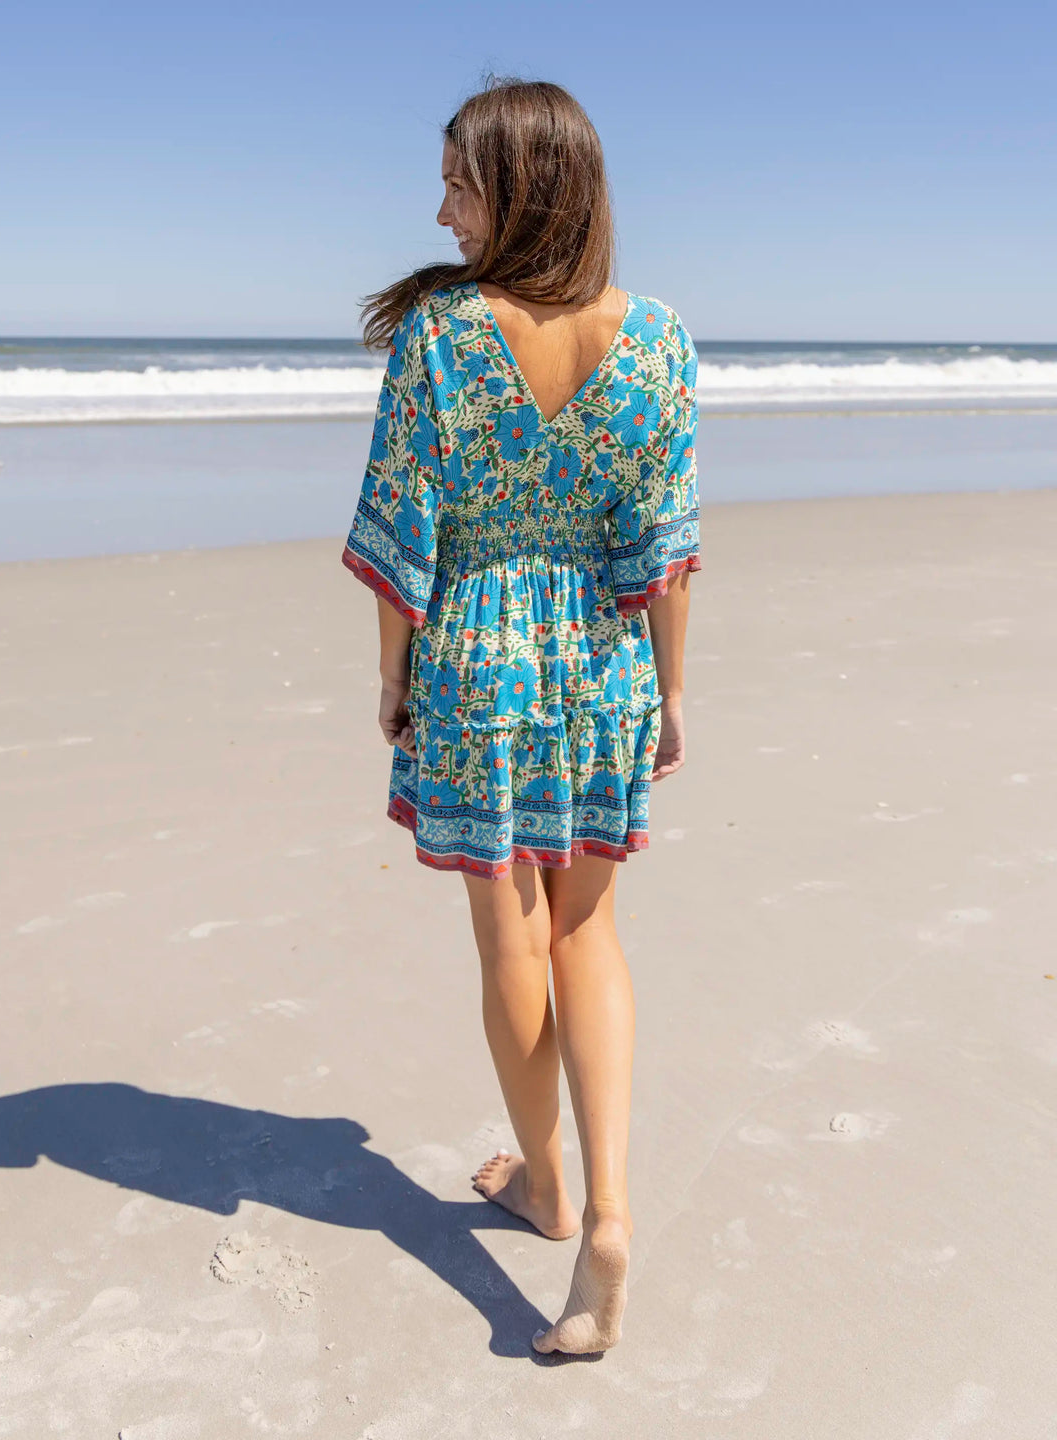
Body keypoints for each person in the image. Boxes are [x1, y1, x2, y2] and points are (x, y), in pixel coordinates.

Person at [341, 76, 700, 1356]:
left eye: (461, 184)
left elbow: (405, 535)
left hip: (478, 666)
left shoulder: (442, 338)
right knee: (590, 932)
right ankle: (610, 1213)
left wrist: (393, 680)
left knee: (513, 943)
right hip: (602, 662)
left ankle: (545, 1183)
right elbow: (664, 547)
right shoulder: (658, 340)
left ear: (525, 187)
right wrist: (670, 691)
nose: (442, 212)